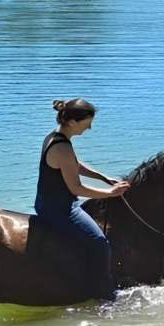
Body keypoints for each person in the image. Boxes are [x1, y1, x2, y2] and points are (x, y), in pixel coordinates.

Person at [34, 98, 130, 300]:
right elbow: (76, 187)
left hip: (48, 202)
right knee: (99, 242)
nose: (90, 128)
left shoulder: (54, 137)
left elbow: (75, 165)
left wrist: (104, 178)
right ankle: (103, 294)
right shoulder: (62, 148)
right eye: (87, 123)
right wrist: (110, 194)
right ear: (72, 122)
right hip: (60, 208)